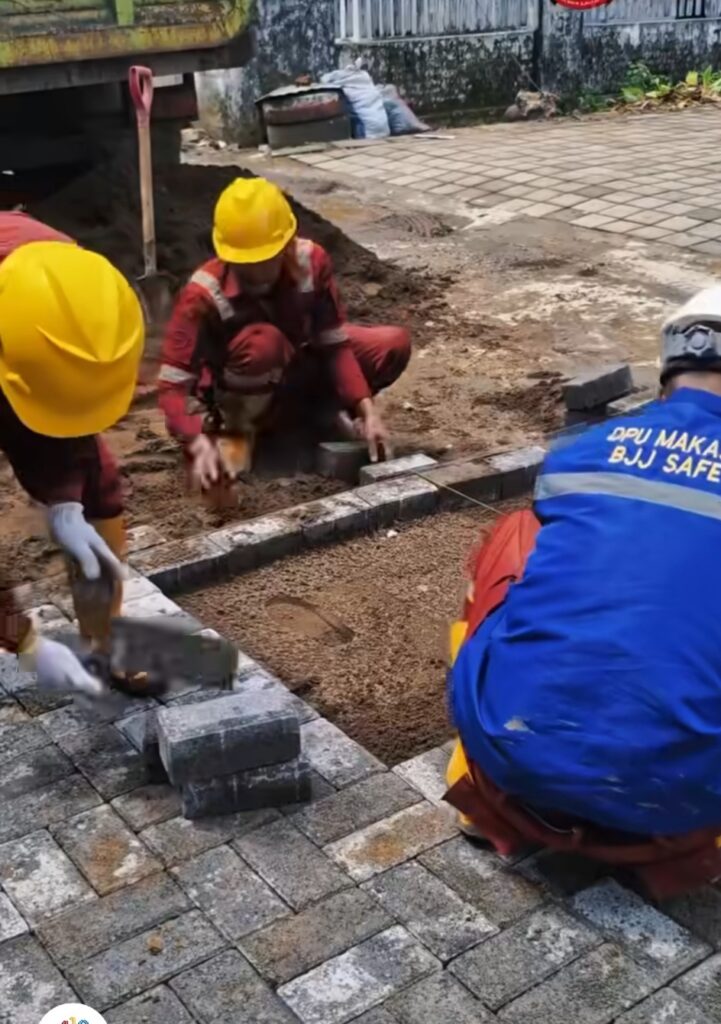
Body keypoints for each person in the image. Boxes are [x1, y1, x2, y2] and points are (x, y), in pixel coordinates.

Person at [446, 287, 721, 898]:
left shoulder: (583, 450)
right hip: (680, 802)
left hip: (511, 761)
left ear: (670, 371)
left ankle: (474, 777)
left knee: (517, 536)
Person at [158, 177, 410, 489]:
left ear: (286, 243)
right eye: (245, 262)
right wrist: (196, 439)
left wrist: (366, 410)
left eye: (265, 259)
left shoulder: (311, 262)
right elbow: (173, 385)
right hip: (239, 394)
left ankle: (320, 418)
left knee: (391, 344)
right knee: (264, 343)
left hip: (292, 371)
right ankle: (242, 440)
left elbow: (334, 345)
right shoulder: (203, 294)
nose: (256, 271)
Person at [0, 221, 144, 697]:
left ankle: (103, 644)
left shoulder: (71, 276)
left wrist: (67, 504)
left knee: (96, 484)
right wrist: (22, 640)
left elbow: (69, 427)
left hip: (22, 362)